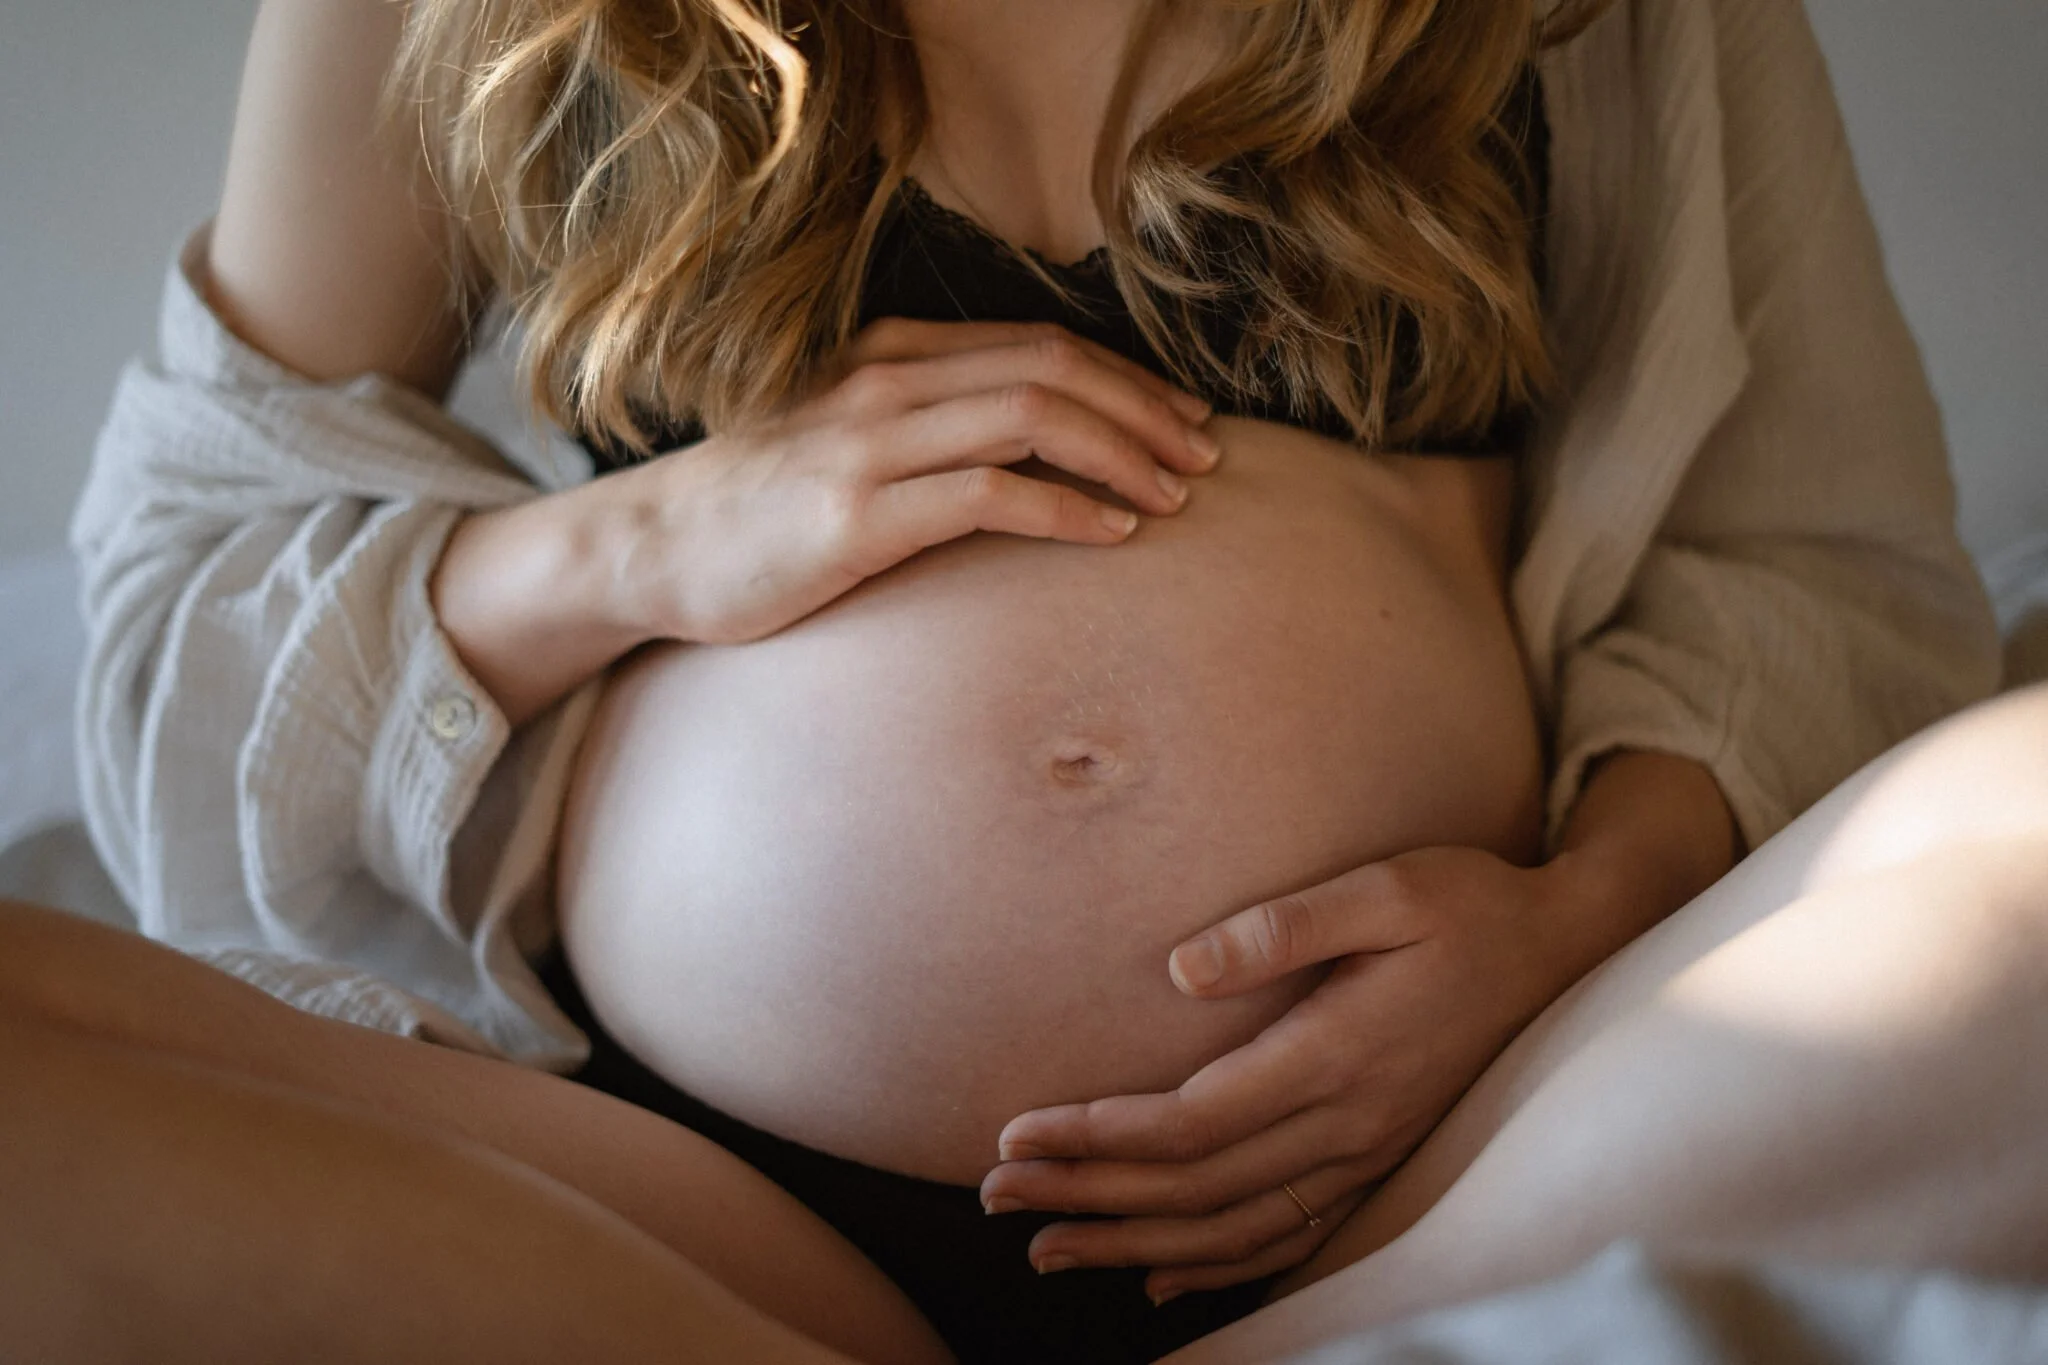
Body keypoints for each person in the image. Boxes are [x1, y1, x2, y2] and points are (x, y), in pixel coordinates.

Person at [39, 0, 2016, 1360]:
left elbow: (1817, 562)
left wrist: (1577, 914)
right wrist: (645, 542)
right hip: (699, 1197)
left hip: (1463, 1145)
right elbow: (166, 652)